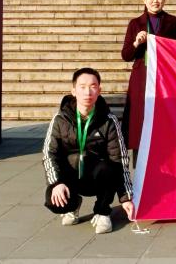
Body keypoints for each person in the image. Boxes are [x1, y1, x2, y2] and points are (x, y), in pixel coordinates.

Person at [42, 68, 133, 234]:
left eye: (93, 86)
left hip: (97, 177)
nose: (87, 92)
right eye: (82, 87)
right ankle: (73, 204)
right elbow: (49, 154)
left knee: (109, 167)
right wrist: (56, 183)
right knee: (54, 202)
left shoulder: (109, 121)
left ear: (99, 90)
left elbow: (120, 159)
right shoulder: (60, 119)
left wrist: (125, 197)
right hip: (70, 177)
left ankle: (102, 211)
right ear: (73, 91)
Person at [122, 0, 176, 155]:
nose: (155, 0)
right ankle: (139, 160)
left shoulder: (173, 22)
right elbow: (126, 55)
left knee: (164, 120)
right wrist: (136, 42)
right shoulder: (135, 23)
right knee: (139, 119)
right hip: (141, 79)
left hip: (165, 79)